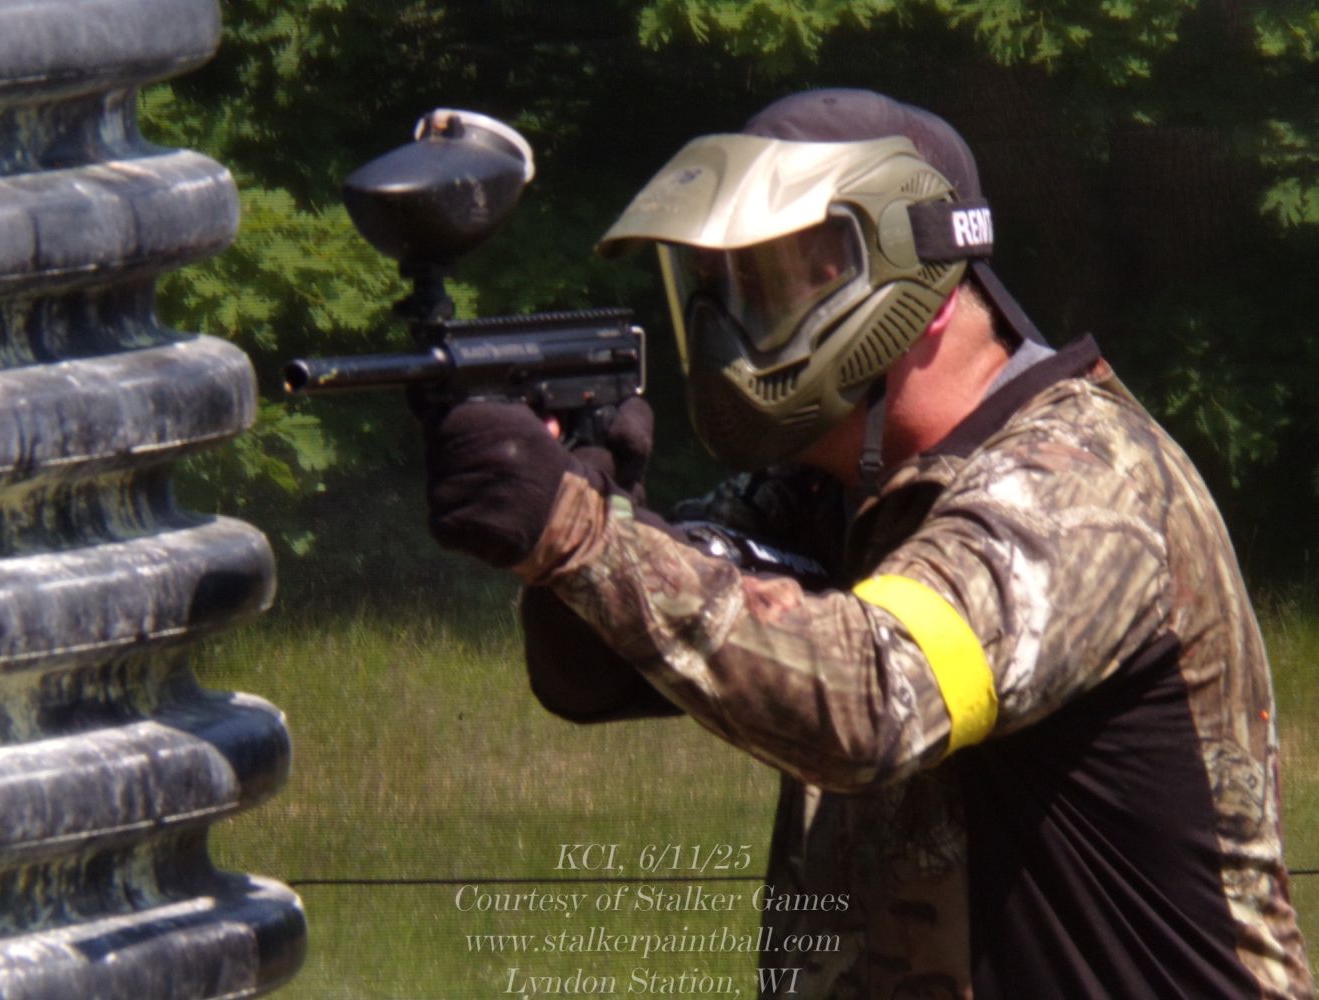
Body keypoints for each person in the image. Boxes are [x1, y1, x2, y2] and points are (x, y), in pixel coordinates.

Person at [421, 89, 1313, 997]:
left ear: (918, 290)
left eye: (773, 286)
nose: (730, 332)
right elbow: (595, 676)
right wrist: (590, 514)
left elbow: (873, 698)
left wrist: (579, 535)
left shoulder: (1082, 484)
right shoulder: (832, 489)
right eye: (717, 292)